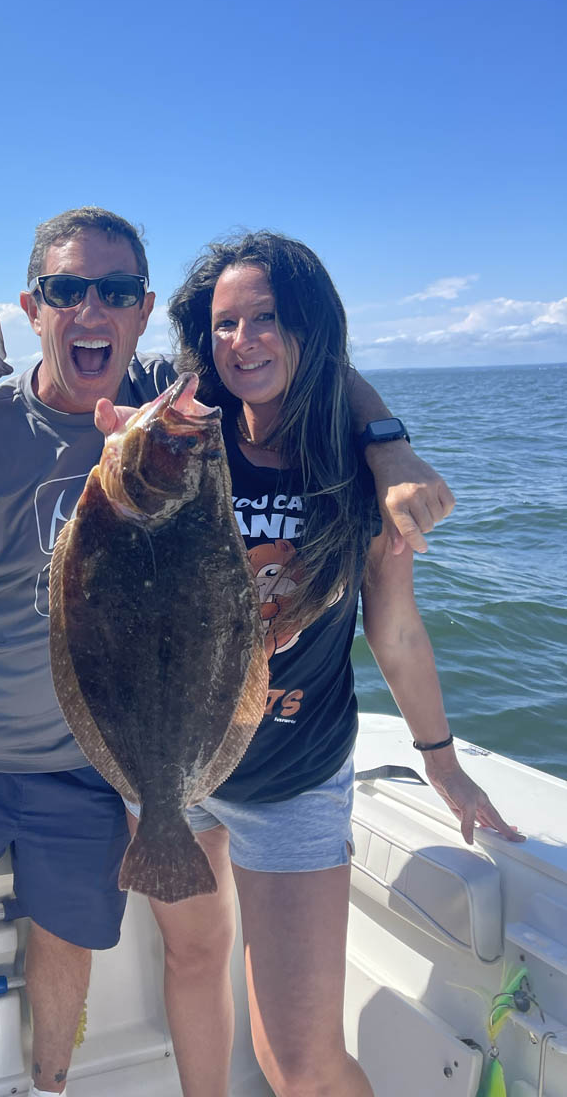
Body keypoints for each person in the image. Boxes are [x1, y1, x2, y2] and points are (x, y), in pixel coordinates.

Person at [0, 208, 456, 1097]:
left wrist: (390, 448)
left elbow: (305, 360)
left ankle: (50, 1086)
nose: (93, 309)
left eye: (117, 291)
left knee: (83, 947)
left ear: (143, 310)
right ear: (32, 309)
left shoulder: (175, 399)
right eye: (66, 290)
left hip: (118, 761)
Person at [94, 230, 523, 1097]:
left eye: (266, 319)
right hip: (165, 764)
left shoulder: (357, 469)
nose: (242, 341)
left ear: (309, 328)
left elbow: (395, 631)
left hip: (290, 778)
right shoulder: (180, 436)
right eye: (225, 324)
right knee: (193, 963)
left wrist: (442, 761)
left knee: (302, 1064)